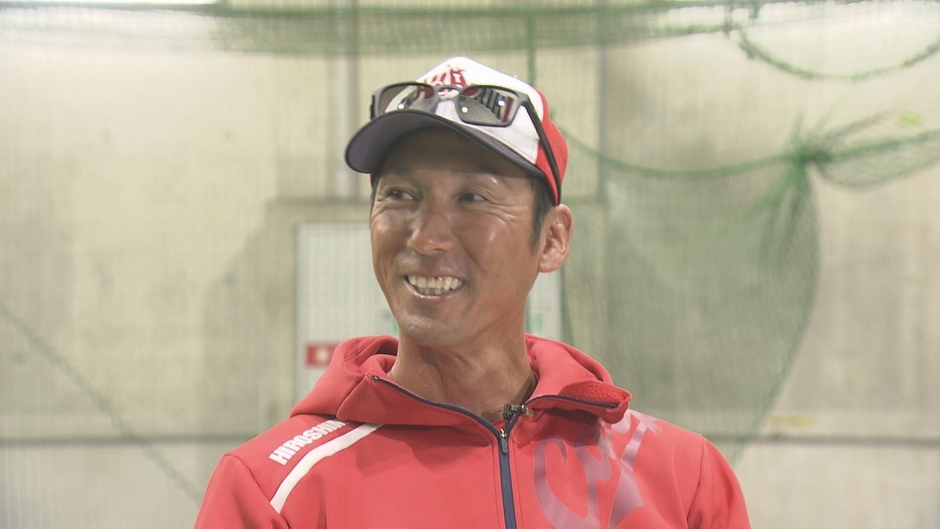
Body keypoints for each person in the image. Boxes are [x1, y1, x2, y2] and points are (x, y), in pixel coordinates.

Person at [195, 56, 750, 528]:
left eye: (473, 198)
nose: (426, 237)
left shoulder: (681, 480)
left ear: (552, 239)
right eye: (400, 194)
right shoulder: (270, 493)